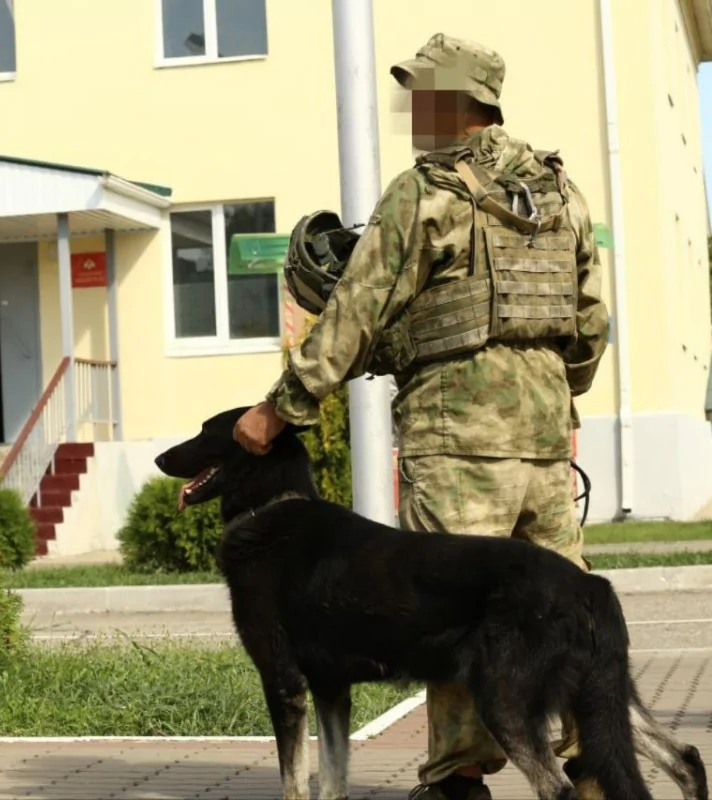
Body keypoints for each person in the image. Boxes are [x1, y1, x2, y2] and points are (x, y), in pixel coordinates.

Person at [232, 33, 610, 800]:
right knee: (564, 605)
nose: (412, 109)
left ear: (460, 101)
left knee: (450, 606)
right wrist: (551, 387)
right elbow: (591, 321)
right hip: (543, 442)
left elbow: (356, 308)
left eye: (423, 94)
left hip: (455, 441)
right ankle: (594, 761)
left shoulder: (427, 189)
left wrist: (283, 407)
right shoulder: (559, 191)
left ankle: (459, 777)